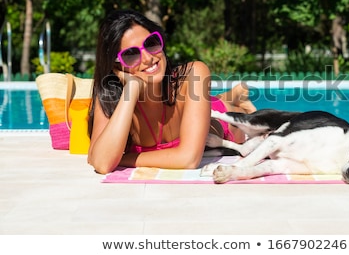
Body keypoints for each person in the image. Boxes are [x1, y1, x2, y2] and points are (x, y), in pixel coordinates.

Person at [87, 9, 256, 174]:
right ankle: (231, 95)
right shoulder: (111, 95)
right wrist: (131, 89)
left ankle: (234, 99)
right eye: (131, 55)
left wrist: (124, 159)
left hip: (220, 119)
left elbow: (189, 159)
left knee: (234, 114)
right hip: (190, 102)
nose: (148, 58)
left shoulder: (194, 72)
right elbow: (101, 162)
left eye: (151, 43)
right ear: (116, 65)